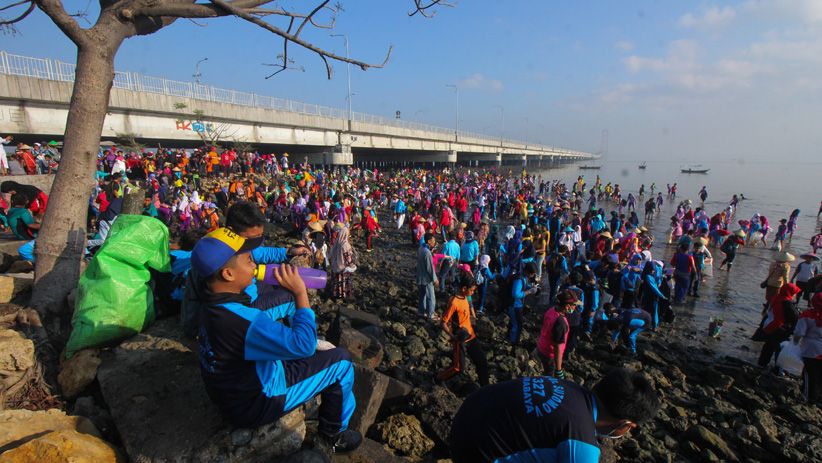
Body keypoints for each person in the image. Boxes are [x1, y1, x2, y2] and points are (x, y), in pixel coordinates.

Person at [191, 228, 361, 456]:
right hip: (258, 401)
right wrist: (301, 293)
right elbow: (305, 345)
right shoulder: (242, 322)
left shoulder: (212, 305)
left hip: (232, 392)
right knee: (342, 363)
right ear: (228, 274)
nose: (254, 265)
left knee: (301, 346)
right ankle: (333, 435)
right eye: (249, 260)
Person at [448, 368, 659, 463]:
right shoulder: (582, 442)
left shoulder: (570, 387)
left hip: (467, 415)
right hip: (472, 451)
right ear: (626, 424)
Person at [436, 271, 489, 386]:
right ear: (464, 288)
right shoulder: (454, 302)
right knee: (458, 368)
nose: (473, 292)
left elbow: (465, 315)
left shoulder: (466, 298)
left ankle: (485, 387)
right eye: (472, 290)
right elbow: (443, 322)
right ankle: (438, 379)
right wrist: (452, 336)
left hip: (471, 336)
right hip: (460, 339)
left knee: (482, 361)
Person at [757, 283, 800, 369]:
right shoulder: (787, 303)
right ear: (790, 293)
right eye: (795, 293)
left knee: (768, 347)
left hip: (769, 325)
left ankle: (761, 364)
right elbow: (795, 318)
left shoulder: (776, 297)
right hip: (778, 328)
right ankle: (778, 368)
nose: (795, 295)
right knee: (780, 348)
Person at [535, 290, 577, 378]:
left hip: (541, 346)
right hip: (549, 354)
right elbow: (557, 347)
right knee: (549, 379)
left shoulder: (551, 310)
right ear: (567, 306)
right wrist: (558, 369)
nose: (575, 308)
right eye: (574, 305)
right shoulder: (561, 323)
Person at [793, 293, 822, 405]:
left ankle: (809, 399)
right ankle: (818, 398)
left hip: (811, 350)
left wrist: (794, 343)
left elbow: (799, 333)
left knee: (809, 375)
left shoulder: (807, 315)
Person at [509, 262, 538, 345]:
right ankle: (513, 342)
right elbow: (515, 294)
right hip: (515, 305)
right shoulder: (519, 279)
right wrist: (528, 292)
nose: (533, 276)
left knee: (514, 322)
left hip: (518, 304)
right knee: (517, 325)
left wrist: (530, 288)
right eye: (533, 274)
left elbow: (522, 287)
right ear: (529, 272)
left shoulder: (523, 276)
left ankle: (510, 337)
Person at [328, 226, 356, 300]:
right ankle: (342, 295)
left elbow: (330, 254)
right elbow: (348, 257)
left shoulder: (337, 242)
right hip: (342, 267)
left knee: (336, 281)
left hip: (335, 265)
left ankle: (335, 294)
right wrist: (352, 265)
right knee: (343, 281)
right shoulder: (345, 244)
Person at [417, 233, 439, 319]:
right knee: (431, 297)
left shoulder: (420, 248)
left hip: (420, 276)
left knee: (422, 295)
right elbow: (430, 268)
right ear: (429, 241)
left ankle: (421, 312)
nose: (434, 242)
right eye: (433, 240)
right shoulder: (427, 252)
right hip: (426, 279)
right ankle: (431, 314)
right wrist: (435, 279)